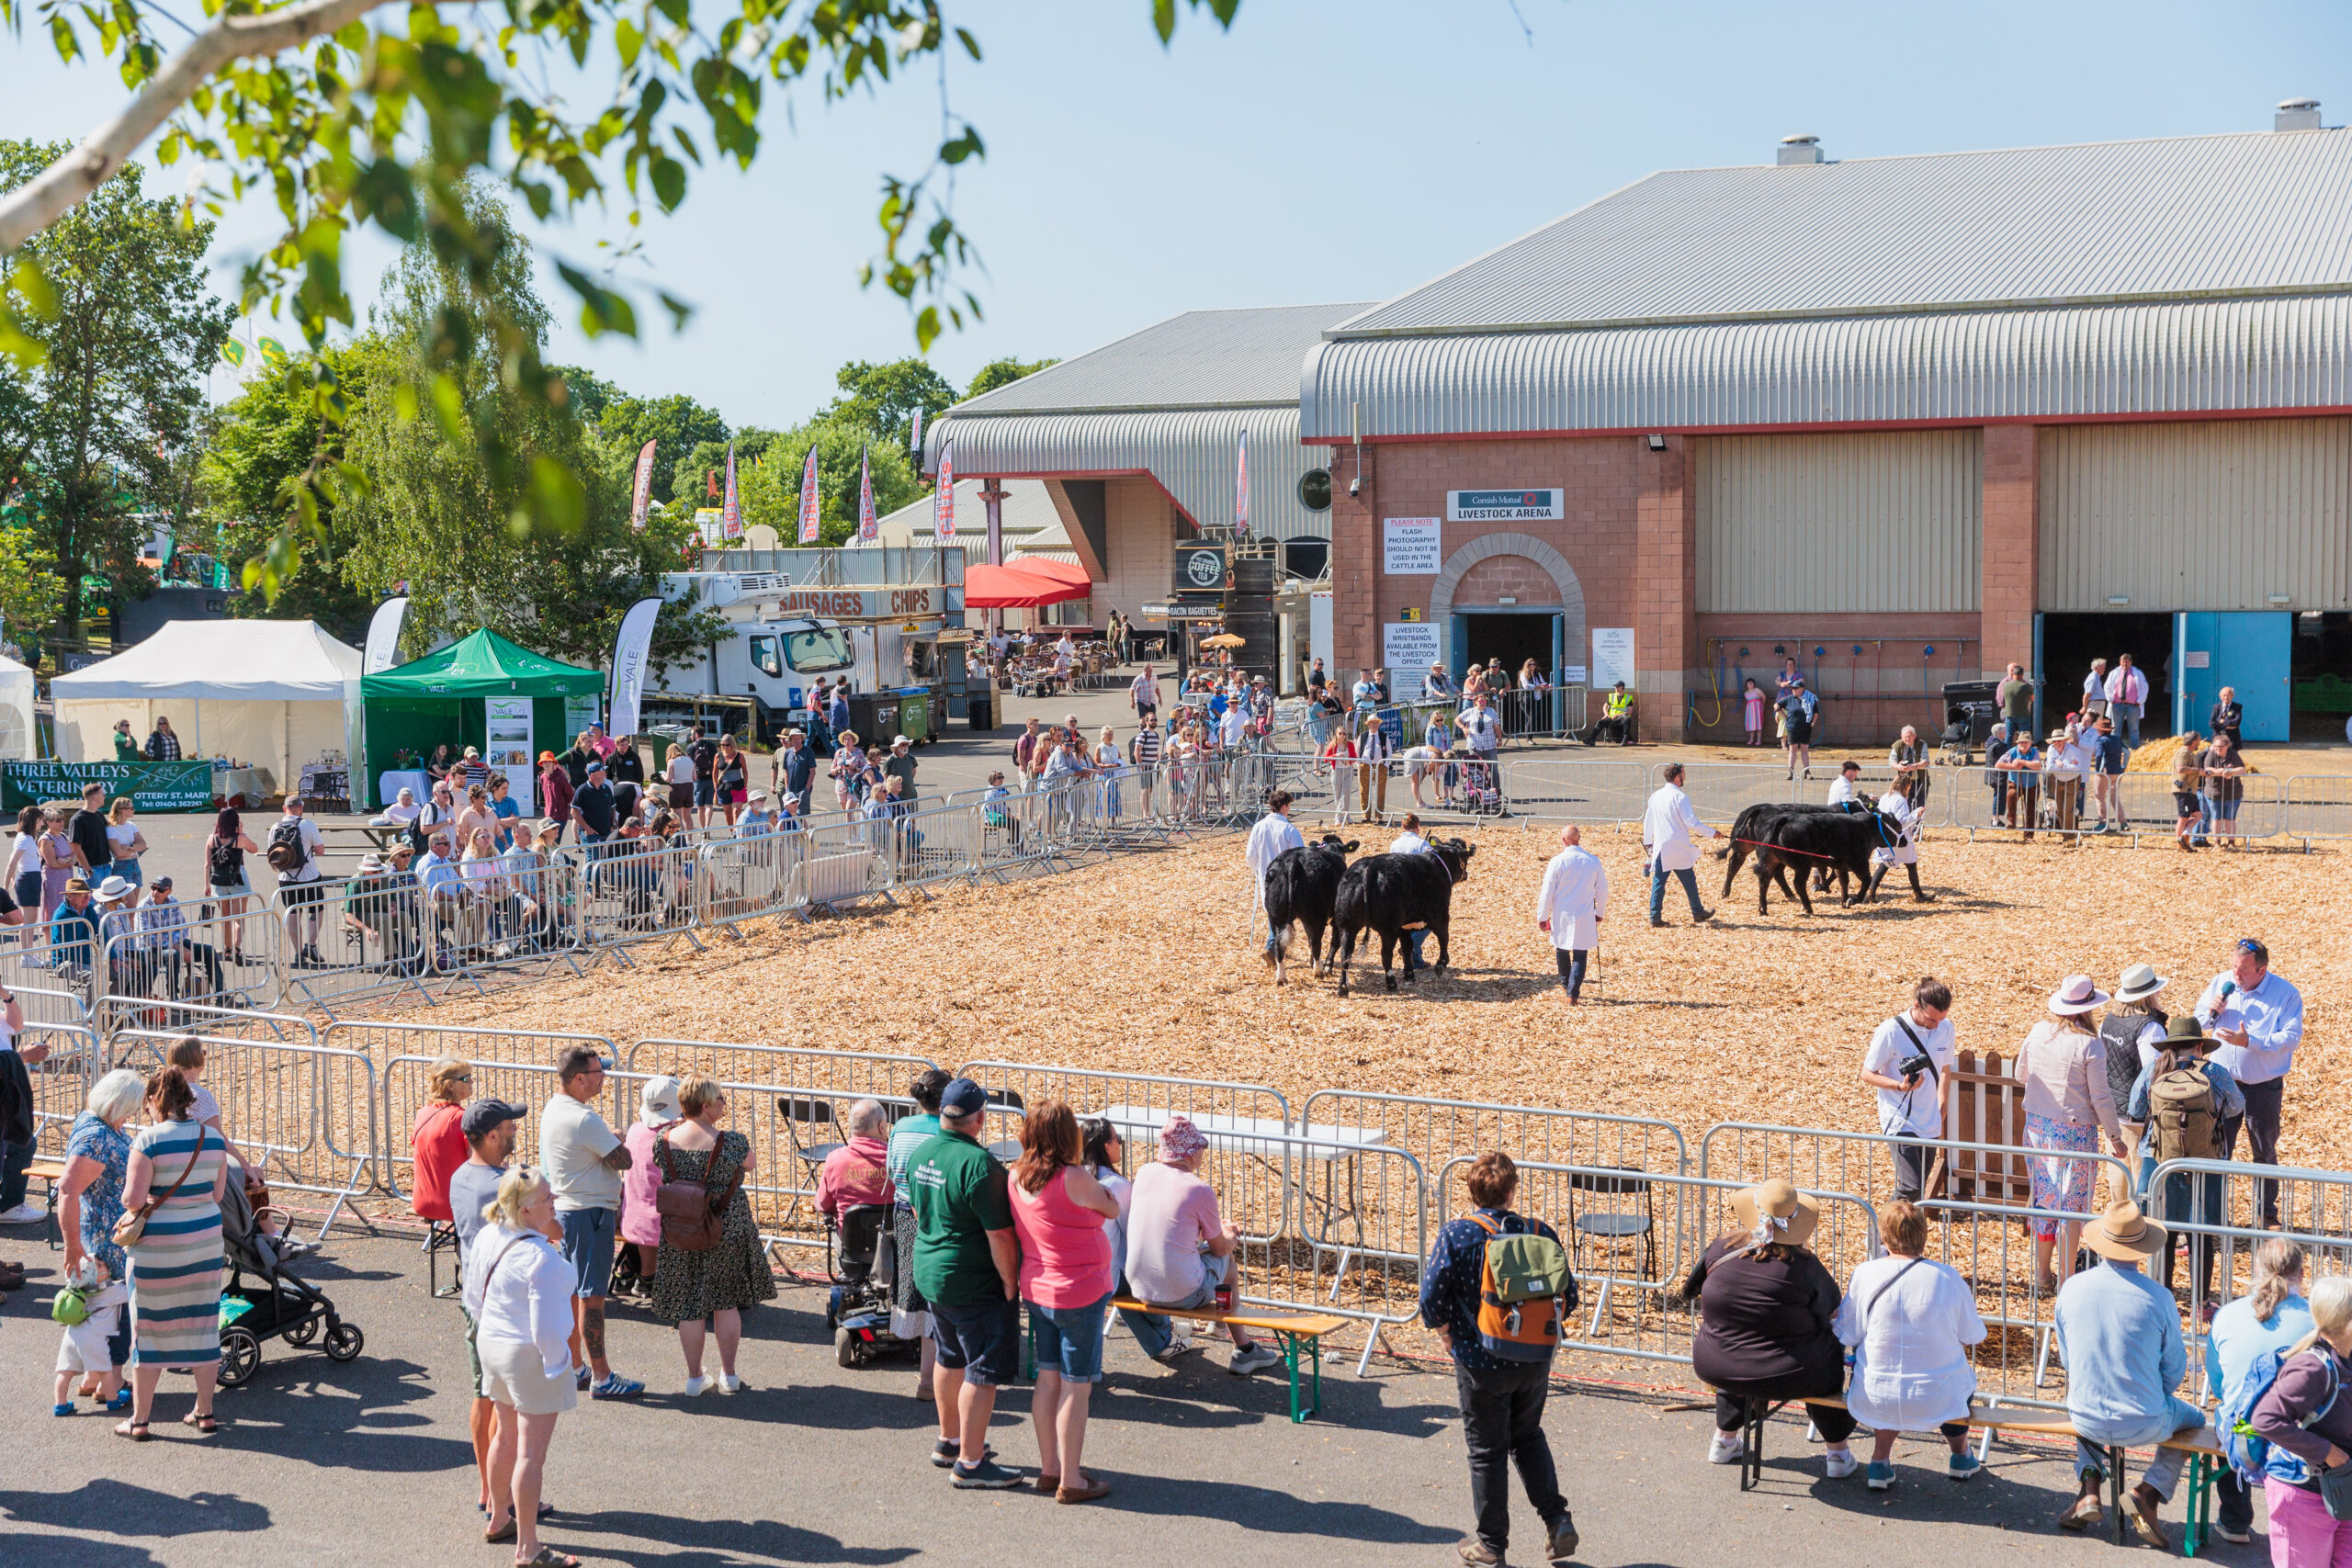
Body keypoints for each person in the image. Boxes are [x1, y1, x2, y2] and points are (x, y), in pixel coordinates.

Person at [1419, 1151, 1580, 1566]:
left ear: (1473, 1192)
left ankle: (1491, 1544)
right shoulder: (1540, 1233)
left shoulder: (1458, 1235)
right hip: (1534, 1357)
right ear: (1512, 1191)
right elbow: (1570, 1296)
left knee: (1487, 1451)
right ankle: (1557, 1518)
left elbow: (1431, 1298)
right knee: (1527, 1436)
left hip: (1480, 1359)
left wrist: (1445, 1333)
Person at [1680, 1179, 1858, 1476]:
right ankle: (1837, 1453)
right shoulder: (1804, 1265)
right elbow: (1832, 1308)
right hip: (1793, 1372)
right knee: (1828, 1351)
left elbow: (1690, 1289)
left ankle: (1724, 1440)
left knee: (1737, 1340)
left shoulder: (1723, 1246)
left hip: (1717, 1362)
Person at [2052, 1201, 2204, 1546]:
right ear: (2142, 1249)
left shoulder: (2071, 1289)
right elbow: (2173, 1371)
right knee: (2194, 1419)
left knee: (2084, 1393)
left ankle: (2090, 1488)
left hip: (2086, 1413)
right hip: (2143, 1416)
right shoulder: (2159, 1298)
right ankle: (2148, 1492)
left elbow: (2069, 1361)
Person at [909, 1076, 1024, 1488]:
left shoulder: (921, 1152)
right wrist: (1010, 1284)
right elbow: (1000, 1236)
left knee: (949, 1355)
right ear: (978, 1119)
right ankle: (972, 1464)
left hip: (931, 1271)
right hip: (972, 1279)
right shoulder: (979, 1165)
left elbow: (921, 1212)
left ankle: (949, 1440)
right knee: (983, 1368)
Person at [466, 1166, 582, 1568]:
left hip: (492, 1344)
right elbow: (549, 1329)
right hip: (527, 1354)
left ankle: (499, 1517)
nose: (554, 1204)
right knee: (531, 1454)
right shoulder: (542, 1259)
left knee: (505, 1436)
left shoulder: (488, 1235)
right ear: (527, 1212)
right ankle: (528, 1548)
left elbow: (472, 1296)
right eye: (547, 1199)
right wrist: (559, 1367)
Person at [1008, 1100, 1119, 1504]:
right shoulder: (1073, 1177)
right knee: (1078, 1385)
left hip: (1039, 1288)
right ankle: (1071, 1477)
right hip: (1080, 1291)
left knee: (1047, 1378)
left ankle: (1050, 1467)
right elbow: (1112, 1205)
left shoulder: (1016, 1174)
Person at [1836, 1199, 1986, 1489]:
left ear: (1883, 1235)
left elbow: (1848, 1334)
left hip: (1877, 1392)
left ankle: (1879, 1461)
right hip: (1938, 1394)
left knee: (1887, 1376)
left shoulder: (1865, 1273)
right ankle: (1960, 1455)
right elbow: (1972, 1335)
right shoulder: (1948, 1276)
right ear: (1924, 1234)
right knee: (1955, 1379)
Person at [116, 1065, 231, 1439]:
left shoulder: (147, 1142)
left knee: (148, 1331)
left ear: (153, 1100)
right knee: (203, 1326)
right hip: (205, 1241)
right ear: (189, 1100)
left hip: (157, 1249)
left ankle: (140, 1419)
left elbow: (133, 1200)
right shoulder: (213, 1140)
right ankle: (205, 1411)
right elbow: (215, 1196)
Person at [1125, 1114, 1282, 1375]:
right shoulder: (1198, 1189)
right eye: (1200, 1148)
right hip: (1181, 1293)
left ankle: (1223, 1327)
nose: (1202, 1154)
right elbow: (1220, 1248)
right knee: (1228, 1262)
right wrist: (1231, 1235)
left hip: (1140, 1287)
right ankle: (1243, 1348)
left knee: (1209, 1256)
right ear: (1188, 1154)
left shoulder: (1144, 1174)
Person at [650, 1075, 776, 1394]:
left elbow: (660, 1166)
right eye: (720, 1099)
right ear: (706, 1105)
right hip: (726, 1226)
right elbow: (749, 1165)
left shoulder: (663, 1140)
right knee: (726, 1302)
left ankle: (694, 1378)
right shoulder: (732, 1142)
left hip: (682, 1226)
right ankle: (730, 1375)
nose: (724, 1103)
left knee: (690, 1304)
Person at [539, 1043, 641, 1399]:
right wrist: (616, 1138)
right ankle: (602, 1376)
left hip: (570, 1210)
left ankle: (576, 1367)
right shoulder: (585, 1118)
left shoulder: (555, 1107)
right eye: (599, 1072)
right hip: (590, 1214)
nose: (604, 1077)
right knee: (592, 1297)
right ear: (580, 1078)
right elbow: (624, 1161)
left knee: (572, 1293)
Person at [448, 1096, 531, 1528]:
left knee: (485, 1394)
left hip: (477, 1301)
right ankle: (501, 1494)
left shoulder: (463, 1176)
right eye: (510, 1126)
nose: (515, 1131)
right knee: (507, 1405)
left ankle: (489, 1488)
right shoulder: (502, 1184)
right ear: (492, 1135)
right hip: (502, 1307)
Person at [2018, 975, 2128, 1292]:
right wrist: (2115, 1136)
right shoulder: (2090, 1043)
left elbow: (2020, 1073)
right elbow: (2101, 1096)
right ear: (2088, 1008)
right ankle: (2066, 1279)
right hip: (2075, 1133)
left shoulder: (2039, 1031)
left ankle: (2041, 1275)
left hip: (2038, 1127)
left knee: (2045, 1200)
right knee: (2072, 1208)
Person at [2128, 1015, 2244, 1313]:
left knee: (2162, 1231)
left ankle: (2162, 1300)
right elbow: (2236, 1105)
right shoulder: (2214, 1071)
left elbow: (2135, 1109)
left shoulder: (2154, 1070)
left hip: (2160, 1161)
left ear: (2170, 1045)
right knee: (2200, 1233)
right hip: (2206, 1162)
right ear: (2200, 1045)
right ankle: (2201, 1302)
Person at [2203, 1237, 2311, 1545]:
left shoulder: (2227, 1315)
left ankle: (2235, 1519)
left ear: (2258, 1269)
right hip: (2299, 1433)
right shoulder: (2318, 1319)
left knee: (2231, 1410)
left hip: (2242, 1434)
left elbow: (2219, 1383)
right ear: (2301, 1275)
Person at [2196, 936, 2302, 1230]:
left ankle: (2266, 1214)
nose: (2236, 975)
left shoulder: (2286, 994)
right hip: (2221, 1083)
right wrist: (2210, 1012)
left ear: (2262, 970)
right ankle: (2212, 1214)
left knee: (2264, 1149)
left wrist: (2251, 1042)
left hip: (2263, 1087)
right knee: (2218, 1148)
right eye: (2233, 967)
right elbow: (2197, 1024)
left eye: (2243, 969)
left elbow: (2290, 1038)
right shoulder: (2221, 984)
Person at [2247, 1274, 2352, 1562]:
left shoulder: (2346, 1358)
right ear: (2346, 1322)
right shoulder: (2312, 1367)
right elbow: (2265, 1419)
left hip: (2342, 1489)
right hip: (2304, 1493)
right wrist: (2326, 1452)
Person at [56, 1067, 142, 1416]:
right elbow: (67, 1189)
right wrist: (72, 1244)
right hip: (106, 1240)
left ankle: (93, 1377)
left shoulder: (96, 1124)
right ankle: (113, 1383)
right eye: (131, 1107)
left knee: (97, 1311)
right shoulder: (97, 1137)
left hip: (102, 1233)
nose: (133, 1115)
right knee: (114, 1313)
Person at [1860, 977, 1954, 1202]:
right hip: (1900, 1119)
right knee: (1911, 1189)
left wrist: (1943, 1106)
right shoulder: (1891, 1030)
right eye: (1932, 1019)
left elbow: (1945, 1070)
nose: (1937, 1025)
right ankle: (1877, 1235)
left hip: (1930, 1120)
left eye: (1942, 1019)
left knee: (1915, 1192)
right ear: (1915, 1006)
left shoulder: (1946, 1028)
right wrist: (1899, 1086)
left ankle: (1896, 1236)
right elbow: (1867, 1074)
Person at [888, 1069, 951, 1402]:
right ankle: (934, 1379)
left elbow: (891, 1171)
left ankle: (928, 1378)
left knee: (917, 1294)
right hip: (938, 1216)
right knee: (938, 1299)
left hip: (905, 1214)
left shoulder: (900, 1128)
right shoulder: (946, 1132)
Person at [2099, 964, 2170, 1173]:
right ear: (2152, 994)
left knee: (2118, 1182)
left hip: (2112, 1113)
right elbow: (2154, 1073)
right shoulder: (2150, 1027)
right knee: (2141, 1185)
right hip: (2139, 1119)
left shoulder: (2109, 1021)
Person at [1534, 824, 1606, 1005]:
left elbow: (1547, 891)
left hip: (1563, 912)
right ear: (1578, 839)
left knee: (1562, 948)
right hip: (1584, 911)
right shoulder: (1593, 861)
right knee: (1580, 953)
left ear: (1564, 840)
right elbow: (1602, 890)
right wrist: (1600, 912)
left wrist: (1542, 916)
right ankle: (1572, 992)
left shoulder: (1557, 861)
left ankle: (1567, 985)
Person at [1639, 762, 1717, 927]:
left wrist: (1648, 845)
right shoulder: (1680, 797)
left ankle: (1655, 916)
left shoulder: (1656, 796)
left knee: (1659, 882)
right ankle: (1697, 911)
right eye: (1683, 775)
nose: (1685, 778)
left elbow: (1648, 822)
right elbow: (1691, 823)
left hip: (1661, 846)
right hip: (1678, 846)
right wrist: (1712, 833)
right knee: (1689, 880)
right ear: (1677, 778)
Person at [408, 1056, 473, 1224]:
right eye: (466, 1078)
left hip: (423, 1202)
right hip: (455, 1205)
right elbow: (478, 1162)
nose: (472, 1081)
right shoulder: (461, 1118)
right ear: (451, 1085)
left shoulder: (423, 1112)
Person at [1245, 790, 1305, 960]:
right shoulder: (1289, 830)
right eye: (1289, 806)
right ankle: (1272, 946)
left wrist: (1256, 867)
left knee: (1273, 912)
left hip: (1266, 876)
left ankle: (1275, 947)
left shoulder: (1259, 827)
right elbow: (1299, 855)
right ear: (1284, 806)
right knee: (1282, 913)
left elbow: (1250, 856)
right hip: (1286, 878)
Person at [269, 795, 327, 965]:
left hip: (286, 877)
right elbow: (320, 851)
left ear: (283, 808)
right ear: (301, 808)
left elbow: (272, 853)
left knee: (293, 914)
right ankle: (310, 944)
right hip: (308, 875)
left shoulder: (275, 827)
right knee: (316, 910)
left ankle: (297, 953)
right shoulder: (308, 825)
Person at [2202, 731, 2249, 851]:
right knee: (2216, 817)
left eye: (2221, 747)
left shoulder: (2233, 754)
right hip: (2214, 791)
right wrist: (2215, 770)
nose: (2218, 749)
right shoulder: (2211, 754)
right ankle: (2216, 842)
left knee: (2230, 818)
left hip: (2233, 792)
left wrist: (2231, 772)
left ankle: (2231, 843)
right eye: (2216, 746)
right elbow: (2207, 768)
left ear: (2227, 746)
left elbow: (2242, 769)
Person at [2043, 725, 2088, 840]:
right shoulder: (2051, 749)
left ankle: (2069, 837)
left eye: (2060, 740)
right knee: (2060, 809)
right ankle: (2067, 831)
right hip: (2057, 780)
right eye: (2055, 741)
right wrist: (2068, 765)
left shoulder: (2073, 750)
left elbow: (2077, 768)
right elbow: (2049, 768)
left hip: (2072, 780)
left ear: (2064, 740)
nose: (2057, 743)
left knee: (2068, 809)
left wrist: (2061, 764)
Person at [1996, 727, 2041, 840]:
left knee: (2030, 809)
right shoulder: (2012, 752)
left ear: (2031, 743)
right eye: (2021, 742)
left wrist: (2022, 762)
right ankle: (2011, 821)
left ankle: (2029, 836)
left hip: (2032, 784)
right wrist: (2012, 766)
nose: (2023, 745)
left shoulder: (2035, 752)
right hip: (2015, 782)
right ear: (2017, 743)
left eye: (2026, 742)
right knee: (2011, 795)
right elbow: (1998, 765)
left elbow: (2037, 766)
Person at [2090, 712, 2130, 831]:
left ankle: (2103, 822)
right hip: (2118, 771)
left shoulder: (2101, 740)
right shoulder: (2117, 739)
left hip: (2105, 771)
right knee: (2114, 797)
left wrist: (2098, 769)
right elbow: (2127, 752)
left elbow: (2099, 755)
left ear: (2100, 731)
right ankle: (2123, 822)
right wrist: (2123, 766)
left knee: (2099, 796)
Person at [66, 781, 112, 878]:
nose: (105, 797)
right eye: (103, 794)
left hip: (106, 867)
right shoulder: (77, 819)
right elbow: (76, 847)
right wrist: (88, 869)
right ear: (95, 797)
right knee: (91, 894)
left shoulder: (99, 814)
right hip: (92, 869)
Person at [2105, 653, 2150, 747]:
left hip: (2133, 705)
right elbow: (2107, 686)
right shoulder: (2114, 673)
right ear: (2120, 662)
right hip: (2117, 705)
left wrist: (2139, 701)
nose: (2125, 664)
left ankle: (2134, 748)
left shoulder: (2138, 673)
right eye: (2123, 662)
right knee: (2116, 728)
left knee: (2134, 728)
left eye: (2127, 662)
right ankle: (2114, 747)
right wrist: (2111, 699)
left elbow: (2144, 688)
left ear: (2131, 662)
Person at [1319, 718, 1358, 823]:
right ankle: (1340, 817)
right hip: (1337, 771)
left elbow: (1355, 757)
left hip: (1348, 770)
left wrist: (1348, 761)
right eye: (1340, 733)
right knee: (1337, 795)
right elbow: (1326, 758)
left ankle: (1345, 816)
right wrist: (1336, 756)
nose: (1343, 736)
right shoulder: (1332, 745)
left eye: (1344, 734)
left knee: (1346, 794)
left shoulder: (1349, 744)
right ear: (1336, 734)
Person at [1777, 678, 1817, 777]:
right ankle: (1790, 771)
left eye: (1796, 688)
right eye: (1792, 688)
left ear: (1802, 689)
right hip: (1792, 728)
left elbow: (1815, 712)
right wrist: (1785, 717)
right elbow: (1776, 706)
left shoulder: (1810, 698)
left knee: (1804, 749)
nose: (1794, 690)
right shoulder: (1789, 699)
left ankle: (1807, 772)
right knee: (1792, 749)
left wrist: (1813, 722)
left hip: (1805, 728)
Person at [1887, 724, 1930, 810]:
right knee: (1905, 805)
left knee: (1919, 807)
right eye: (1905, 737)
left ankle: (1918, 823)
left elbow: (1925, 761)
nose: (1907, 739)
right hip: (1904, 781)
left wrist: (1914, 766)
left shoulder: (1922, 744)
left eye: (1909, 736)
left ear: (1914, 736)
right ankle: (1907, 823)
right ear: (1901, 736)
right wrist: (1898, 766)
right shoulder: (1897, 745)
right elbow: (1891, 760)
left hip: (1920, 780)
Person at [1582, 682, 1634, 747]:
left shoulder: (1628, 698)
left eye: (1618, 687)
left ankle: (1625, 739)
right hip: (1612, 717)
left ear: (1623, 688)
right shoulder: (1611, 696)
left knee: (1627, 719)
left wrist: (1618, 715)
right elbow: (1605, 706)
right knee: (1600, 722)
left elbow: (1630, 711)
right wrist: (1606, 714)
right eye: (1615, 687)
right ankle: (1591, 739)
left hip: (1621, 718)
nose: (1616, 688)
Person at [1457, 692, 1501, 764]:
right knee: (1476, 769)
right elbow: (1457, 720)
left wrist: (1500, 739)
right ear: (1475, 702)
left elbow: (1497, 727)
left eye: (1484, 701)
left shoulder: (1491, 711)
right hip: (1474, 744)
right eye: (1480, 701)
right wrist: (1463, 728)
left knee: (1494, 769)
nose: (1482, 703)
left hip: (1489, 744)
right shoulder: (1470, 711)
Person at [2208, 685, 2244, 750]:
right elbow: (2212, 723)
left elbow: (2237, 722)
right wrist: (2227, 726)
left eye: (2228, 695)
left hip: (2232, 740)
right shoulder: (2216, 707)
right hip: (2217, 738)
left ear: (2232, 696)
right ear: (2220, 697)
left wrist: (2223, 722)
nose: (2226, 697)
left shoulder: (2237, 707)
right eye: (2224, 695)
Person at [2082, 658, 2109, 726]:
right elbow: (2087, 695)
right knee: (2093, 725)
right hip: (2095, 704)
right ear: (2097, 668)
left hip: (2098, 704)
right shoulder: (2093, 678)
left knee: (2097, 725)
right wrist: (2084, 707)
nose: (2104, 669)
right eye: (2103, 667)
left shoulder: (2097, 677)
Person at [1741, 677, 1765, 746]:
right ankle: (1751, 739)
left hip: (1758, 709)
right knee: (1751, 724)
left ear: (1754, 684)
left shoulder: (1757, 690)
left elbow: (1764, 697)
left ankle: (1759, 740)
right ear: (1746, 685)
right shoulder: (1746, 693)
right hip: (1750, 711)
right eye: (1748, 683)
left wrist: (1762, 706)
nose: (1750, 684)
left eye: (1751, 683)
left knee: (1758, 723)